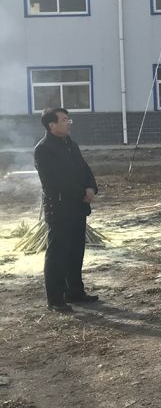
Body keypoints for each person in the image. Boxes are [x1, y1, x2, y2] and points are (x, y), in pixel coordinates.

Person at [33, 108, 99, 313]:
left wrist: (91, 187)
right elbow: (54, 179)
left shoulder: (71, 144)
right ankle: (55, 299)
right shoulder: (44, 149)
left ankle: (75, 292)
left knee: (75, 251)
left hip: (78, 207)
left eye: (69, 119)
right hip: (60, 208)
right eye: (64, 119)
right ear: (52, 125)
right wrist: (81, 193)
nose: (69, 122)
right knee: (58, 254)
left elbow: (85, 169)